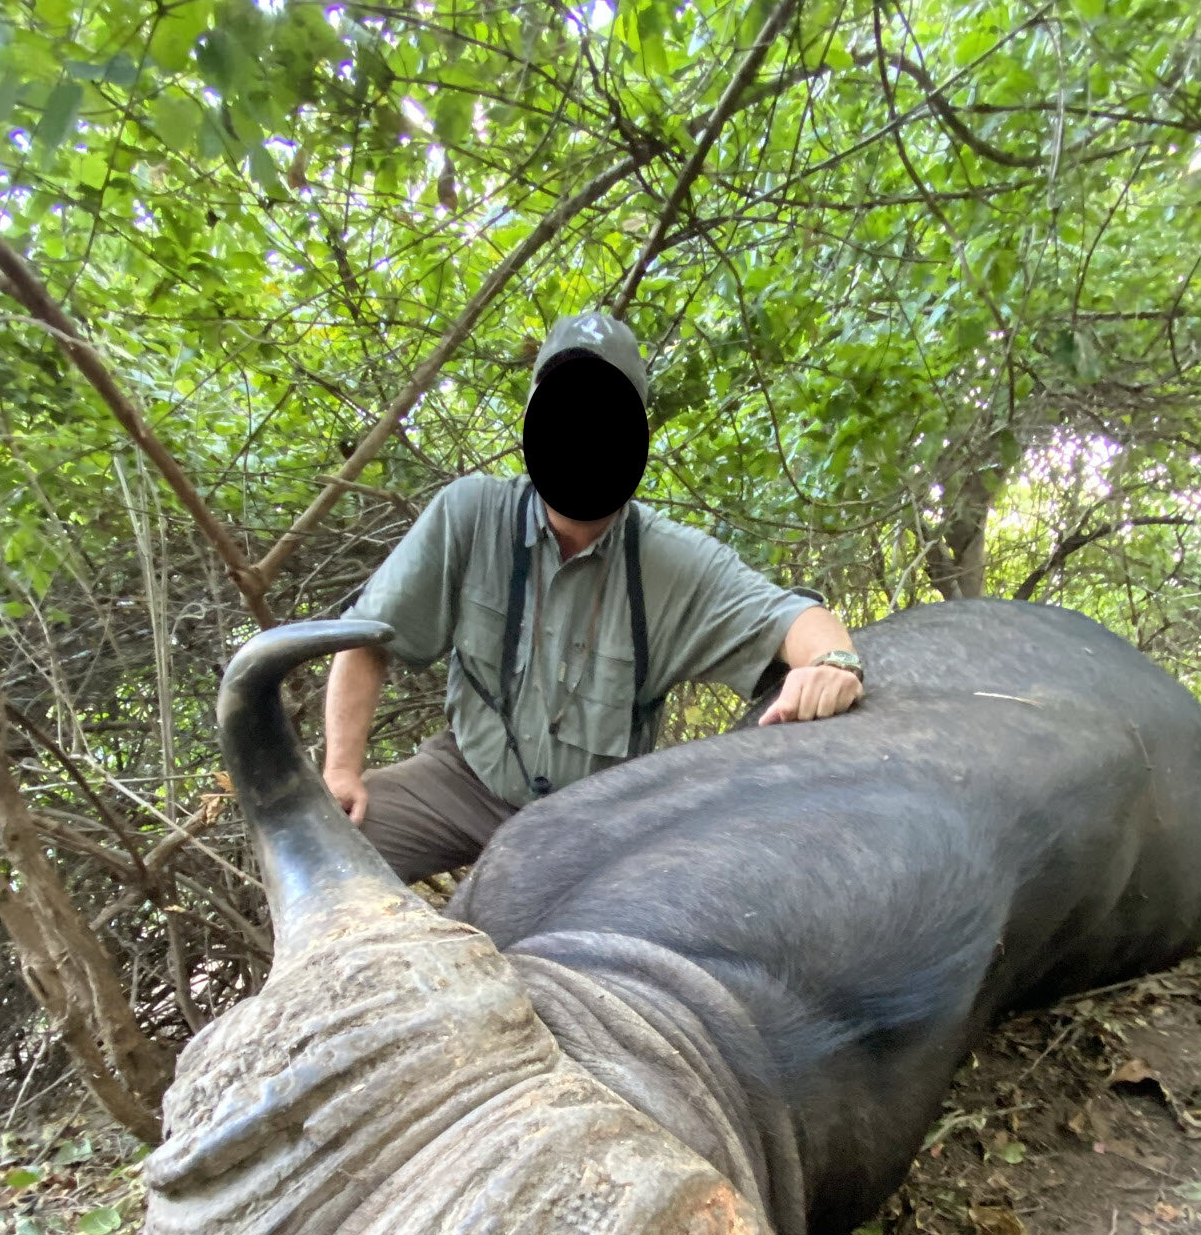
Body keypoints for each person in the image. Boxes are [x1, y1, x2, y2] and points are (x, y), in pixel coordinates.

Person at [323, 309, 865, 882]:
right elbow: (366, 640)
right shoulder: (469, 515)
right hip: (466, 780)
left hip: (599, 818)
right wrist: (341, 770)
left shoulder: (673, 565)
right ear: (534, 418)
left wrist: (833, 664)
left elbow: (797, 618)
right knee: (326, 851)